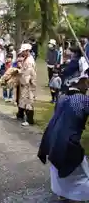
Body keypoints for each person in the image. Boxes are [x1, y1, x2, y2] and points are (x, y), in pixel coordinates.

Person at [38, 71, 89, 202]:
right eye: (85, 82)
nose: (87, 85)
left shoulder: (62, 97)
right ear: (78, 83)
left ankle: (64, 195)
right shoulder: (82, 99)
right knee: (81, 175)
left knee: (62, 174)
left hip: (52, 141)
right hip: (67, 144)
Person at [16, 43, 36, 126]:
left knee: (28, 101)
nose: (22, 53)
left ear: (27, 51)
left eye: (24, 51)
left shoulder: (30, 61)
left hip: (28, 84)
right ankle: (20, 115)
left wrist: (26, 82)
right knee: (22, 99)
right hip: (23, 82)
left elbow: (29, 73)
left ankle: (29, 119)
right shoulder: (25, 59)